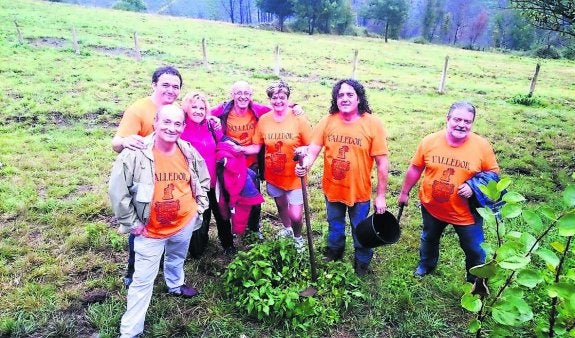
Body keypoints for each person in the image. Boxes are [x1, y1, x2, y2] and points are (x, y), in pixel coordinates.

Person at [108, 104, 210, 338]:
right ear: (155, 122)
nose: (171, 128)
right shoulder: (135, 153)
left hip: (183, 223)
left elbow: (202, 178)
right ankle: (131, 331)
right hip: (149, 232)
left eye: (177, 124)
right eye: (166, 122)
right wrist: (133, 223)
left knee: (176, 257)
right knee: (142, 282)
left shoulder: (187, 150)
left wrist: (197, 208)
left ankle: (175, 284)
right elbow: (118, 193)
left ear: (183, 127)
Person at [398, 101, 500, 283]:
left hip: (466, 214)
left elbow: (493, 175)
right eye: (457, 119)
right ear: (448, 119)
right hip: (432, 207)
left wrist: (473, 186)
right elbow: (415, 168)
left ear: (472, 123)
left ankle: (476, 282)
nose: (462, 124)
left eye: (467, 121)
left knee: (475, 249)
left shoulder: (482, 146)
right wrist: (405, 192)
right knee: (429, 237)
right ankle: (426, 265)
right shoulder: (429, 141)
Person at [295, 79, 389, 276]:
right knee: (334, 224)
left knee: (360, 229)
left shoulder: (373, 124)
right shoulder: (328, 121)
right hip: (333, 188)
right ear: (335, 99)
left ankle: (362, 261)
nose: (344, 98)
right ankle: (334, 252)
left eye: (349, 95)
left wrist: (381, 196)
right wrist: (305, 166)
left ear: (359, 98)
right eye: (340, 95)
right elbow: (313, 150)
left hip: (360, 191)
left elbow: (382, 163)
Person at [111, 66, 183, 287]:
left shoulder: (176, 110)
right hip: (144, 180)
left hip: (169, 177)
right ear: (154, 85)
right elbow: (116, 143)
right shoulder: (139, 109)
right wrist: (125, 141)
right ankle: (133, 273)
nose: (170, 90)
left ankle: (164, 267)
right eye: (165, 85)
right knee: (141, 224)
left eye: (175, 86)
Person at [240, 80, 312, 252]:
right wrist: (237, 148)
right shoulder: (264, 120)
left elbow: (312, 146)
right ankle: (287, 229)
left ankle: (298, 237)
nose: (278, 101)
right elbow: (256, 146)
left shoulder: (298, 119)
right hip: (273, 175)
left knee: (295, 214)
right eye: (274, 97)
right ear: (269, 99)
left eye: (282, 97)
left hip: (295, 175)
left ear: (288, 98)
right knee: (280, 205)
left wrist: (305, 155)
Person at [180, 91, 236, 256]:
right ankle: (198, 246)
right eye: (194, 107)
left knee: (222, 214)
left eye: (202, 108)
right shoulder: (181, 128)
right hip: (194, 185)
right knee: (200, 218)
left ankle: (228, 244)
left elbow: (223, 144)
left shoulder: (211, 125)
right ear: (186, 108)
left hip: (215, 181)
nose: (198, 111)